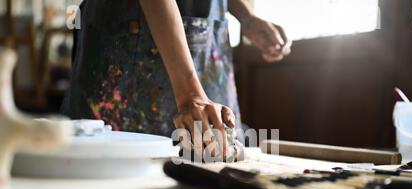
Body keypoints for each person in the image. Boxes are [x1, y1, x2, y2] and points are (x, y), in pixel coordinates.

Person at [62, 0, 291, 156]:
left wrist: (247, 17)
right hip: (124, 37)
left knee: (211, 169)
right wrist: (190, 93)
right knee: (114, 174)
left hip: (207, 40)